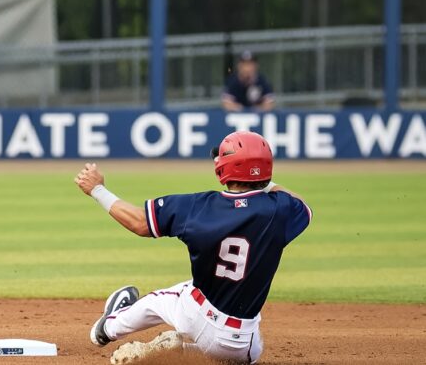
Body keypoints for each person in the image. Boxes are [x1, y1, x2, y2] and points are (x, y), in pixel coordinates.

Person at [75, 131, 311, 364]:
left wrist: (97, 190)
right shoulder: (280, 210)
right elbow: (300, 204)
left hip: (197, 316)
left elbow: (139, 223)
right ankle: (181, 351)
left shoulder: (197, 207)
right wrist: (259, 176)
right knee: (242, 343)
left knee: (161, 299)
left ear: (223, 168)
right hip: (244, 347)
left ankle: (105, 328)